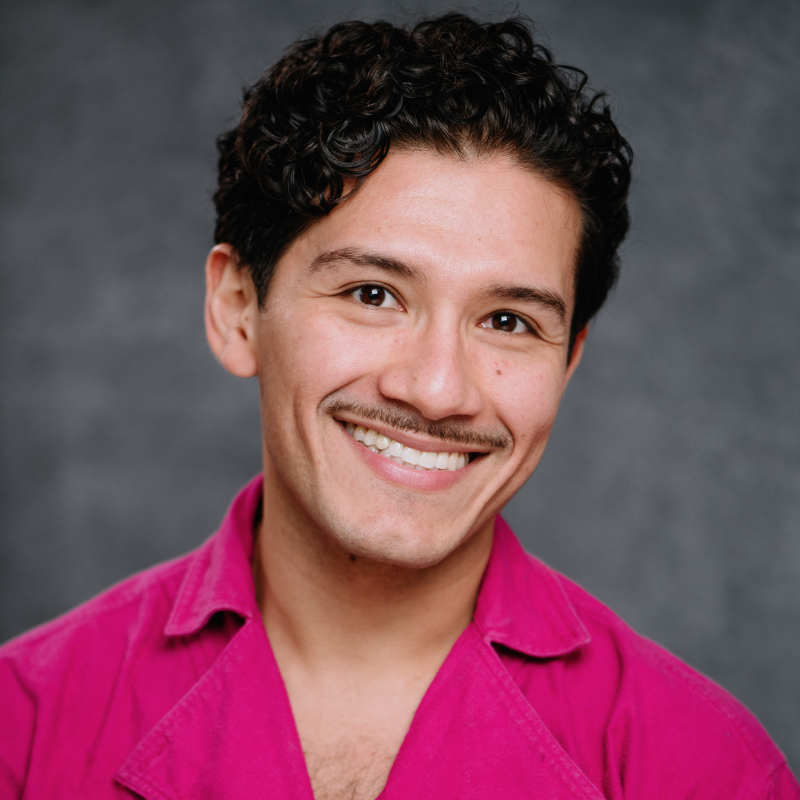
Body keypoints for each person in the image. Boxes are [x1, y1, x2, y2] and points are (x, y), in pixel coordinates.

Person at [0, 12, 797, 800]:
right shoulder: (23, 725)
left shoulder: (710, 772)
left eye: (508, 321)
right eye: (373, 294)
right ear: (238, 308)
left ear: (568, 360)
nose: (437, 390)